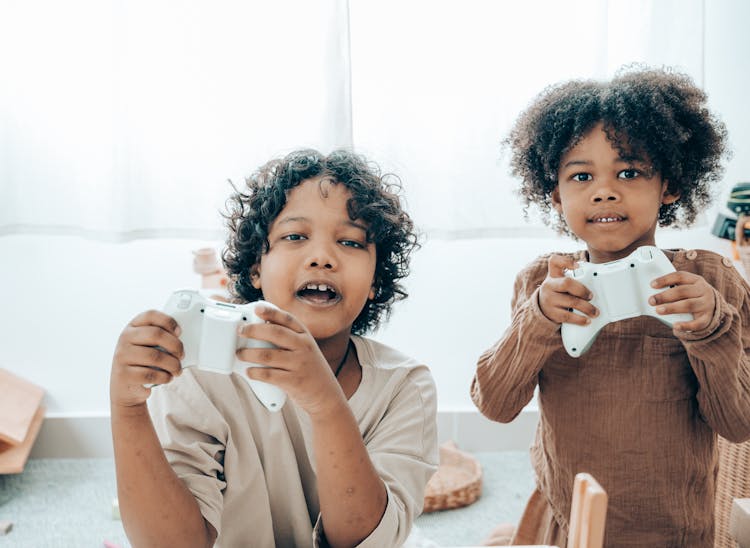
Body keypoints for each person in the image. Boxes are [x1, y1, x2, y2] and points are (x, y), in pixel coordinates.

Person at [471, 67, 750, 547]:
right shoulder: (543, 282)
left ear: (670, 186)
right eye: (582, 175)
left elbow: (738, 422)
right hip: (567, 521)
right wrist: (538, 320)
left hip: (677, 531)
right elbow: (495, 405)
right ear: (556, 195)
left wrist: (711, 329)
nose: (604, 190)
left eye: (630, 172)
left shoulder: (711, 282)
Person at [110, 149, 438, 547]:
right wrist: (128, 410)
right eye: (295, 236)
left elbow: (363, 539)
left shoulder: (405, 386)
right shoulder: (200, 373)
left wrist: (326, 405)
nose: (322, 258)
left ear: (375, 281)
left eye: (350, 242)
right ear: (256, 269)